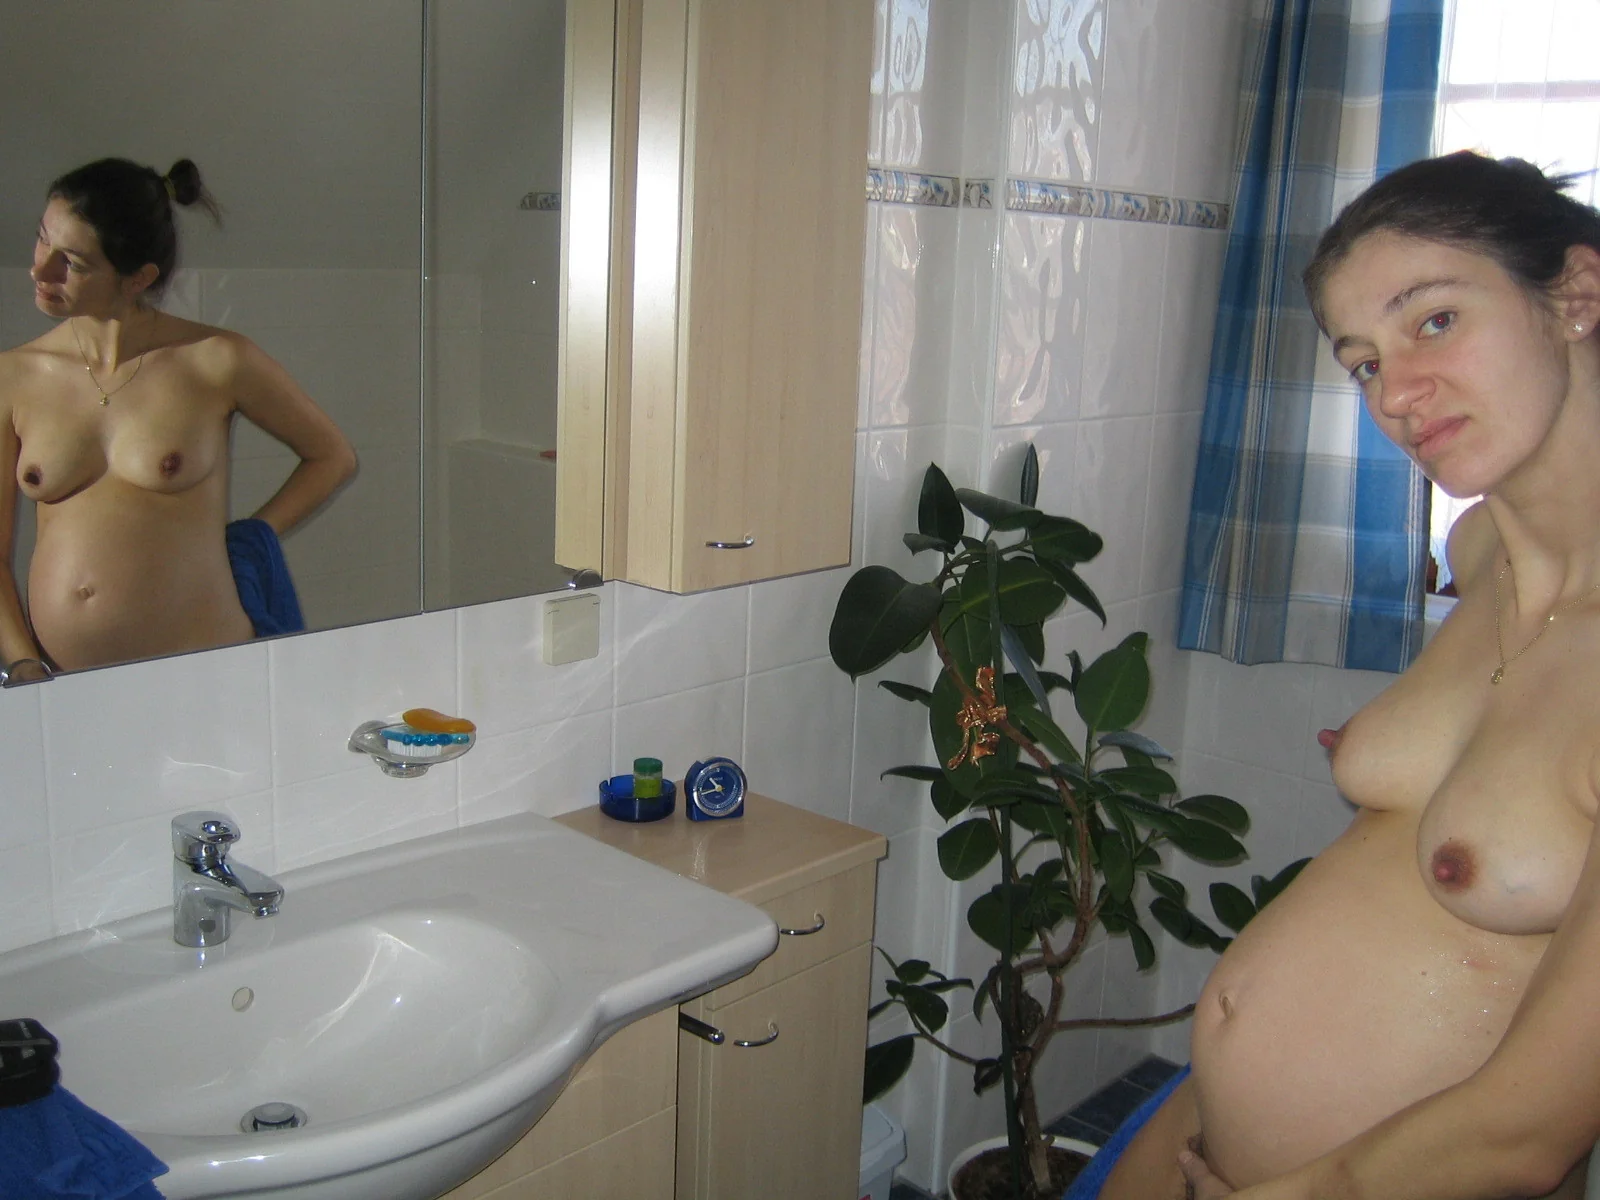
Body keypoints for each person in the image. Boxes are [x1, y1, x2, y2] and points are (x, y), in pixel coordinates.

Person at [1085, 152, 1600, 1200]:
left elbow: (1527, 1131)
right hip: (1198, 1135)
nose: (1397, 395)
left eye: (1435, 321)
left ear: (1576, 295)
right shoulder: (1483, 553)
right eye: (1362, 363)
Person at [0, 158, 355, 676]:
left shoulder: (215, 360)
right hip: (67, 685)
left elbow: (331, 457)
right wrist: (23, 664)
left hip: (206, 670)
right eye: (42, 239)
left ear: (137, 278)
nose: (39, 270)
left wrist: (248, 537)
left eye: (71, 262)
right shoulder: (14, 376)